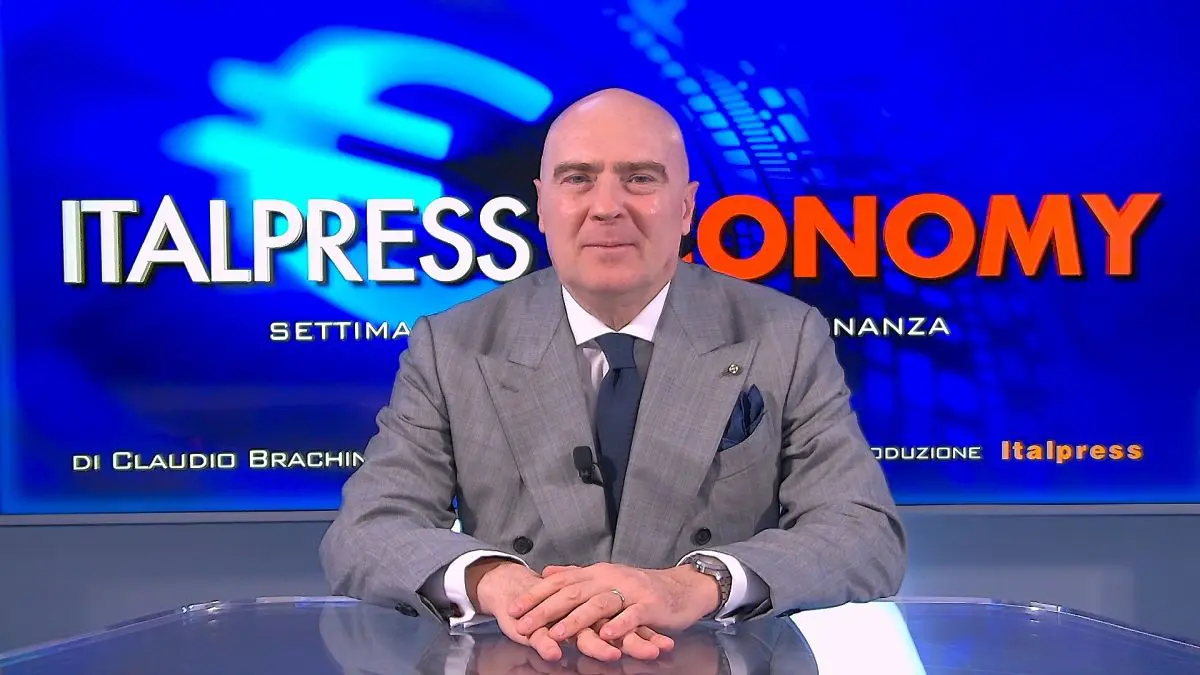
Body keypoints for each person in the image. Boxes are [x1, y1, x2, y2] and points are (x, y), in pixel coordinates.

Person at [320, 88, 906, 663]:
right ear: (542, 205)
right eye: (578, 178)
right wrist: (495, 582)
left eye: (640, 178)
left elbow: (863, 534)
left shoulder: (784, 335)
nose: (606, 206)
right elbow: (367, 532)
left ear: (686, 207)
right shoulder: (453, 344)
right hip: (527, 657)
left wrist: (696, 586)